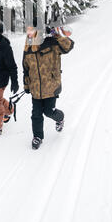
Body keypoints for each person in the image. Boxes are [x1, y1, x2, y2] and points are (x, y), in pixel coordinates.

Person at [22, 21, 74, 150]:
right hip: (35, 88)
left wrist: (57, 35)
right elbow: (26, 68)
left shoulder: (51, 43)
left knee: (49, 112)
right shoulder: (28, 47)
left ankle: (60, 118)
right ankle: (37, 137)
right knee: (36, 114)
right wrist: (27, 86)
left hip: (51, 86)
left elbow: (68, 46)